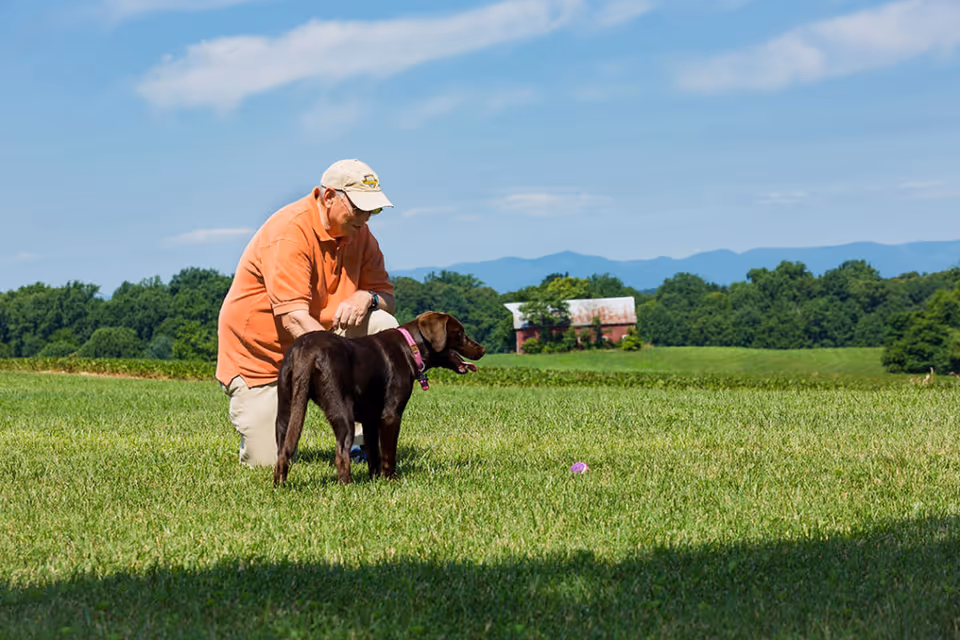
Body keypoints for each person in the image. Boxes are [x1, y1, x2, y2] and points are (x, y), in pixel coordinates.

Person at [216, 159, 398, 467]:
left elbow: (388, 300)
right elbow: (294, 319)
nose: (366, 218)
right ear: (329, 197)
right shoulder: (289, 232)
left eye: (373, 210)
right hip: (263, 361)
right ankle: (257, 422)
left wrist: (367, 297)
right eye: (359, 207)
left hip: (324, 340)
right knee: (268, 461)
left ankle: (361, 440)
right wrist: (336, 372)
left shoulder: (361, 234)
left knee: (381, 324)